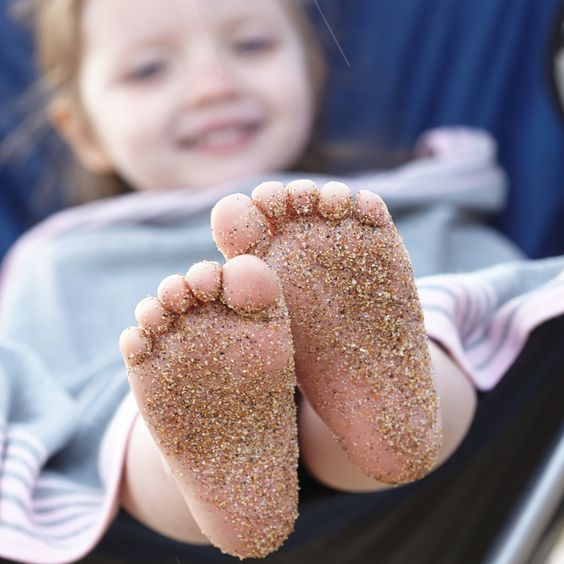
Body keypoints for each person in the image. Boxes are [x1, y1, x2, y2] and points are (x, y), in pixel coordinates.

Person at [0, 0, 563, 562]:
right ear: (84, 134)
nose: (213, 85)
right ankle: (227, 466)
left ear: (310, 69)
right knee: (114, 428)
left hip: (457, 468)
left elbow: (514, 303)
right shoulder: (62, 262)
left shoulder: (399, 206)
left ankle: (385, 412)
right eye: (148, 70)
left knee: (446, 320)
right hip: (146, 516)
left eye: (252, 46)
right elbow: (28, 400)